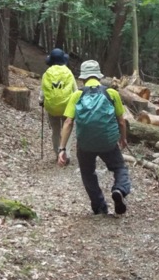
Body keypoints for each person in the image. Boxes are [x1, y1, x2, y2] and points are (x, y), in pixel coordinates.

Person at [57, 60, 132, 215]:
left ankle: (99, 206)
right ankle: (119, 189)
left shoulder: (77, 95)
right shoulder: (111, 93)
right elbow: (122, 121)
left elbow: (68, 122)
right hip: (108, 142)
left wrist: (62, 148)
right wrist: (122, 138)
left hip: (85, 144)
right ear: (98, 76)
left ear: (83, 78)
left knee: (87, 173)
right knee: (120, 167)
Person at [40, 48, 77, 164]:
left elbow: (43, 91)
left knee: (55, 131)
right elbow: (75, 90)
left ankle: (57, 153)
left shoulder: (47, 74)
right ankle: (66, 153)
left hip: (51, 107)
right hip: (67, 107)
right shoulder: (68, 72)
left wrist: (41, 101)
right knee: (69, 128)